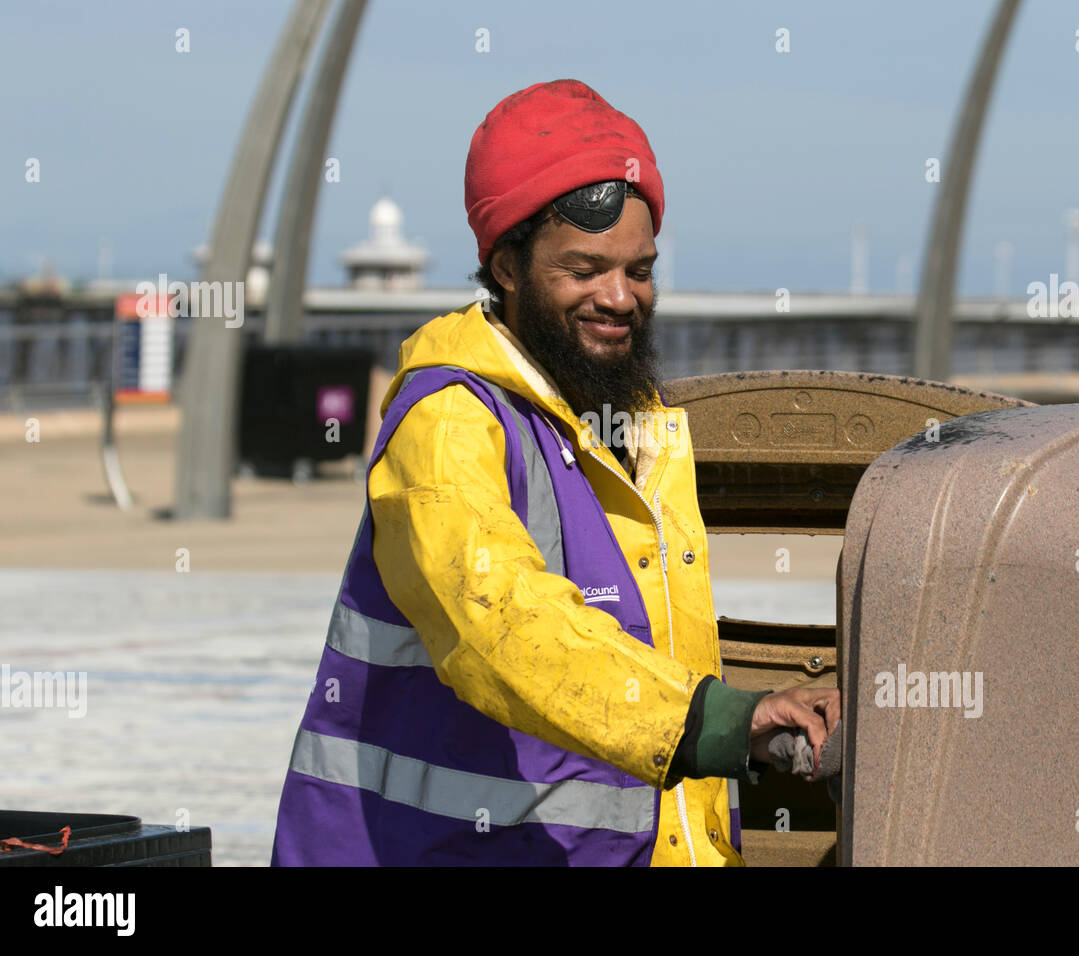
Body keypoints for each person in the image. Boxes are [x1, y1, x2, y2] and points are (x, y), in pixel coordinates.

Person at [270, 78, 839, 867]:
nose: (620, 297)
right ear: (505, 265)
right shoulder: (448, 422)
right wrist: (720, 722)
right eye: (584, 269)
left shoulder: (635, 429)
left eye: (640, 270)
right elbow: (501, 621)